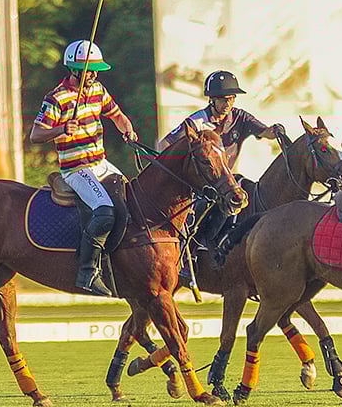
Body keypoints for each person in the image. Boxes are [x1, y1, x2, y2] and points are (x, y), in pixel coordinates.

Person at [30, 40, 137, 297]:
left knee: (133, 201)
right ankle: (87, 272)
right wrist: (61, 129)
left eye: (96, 70)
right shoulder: (57, 98)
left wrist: (127, 129)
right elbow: (36, 134)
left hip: (101, 163)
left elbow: (117, 115)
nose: (94, 75)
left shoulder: (98, 89)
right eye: (90, 71)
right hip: (76, 168)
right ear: (75, 70)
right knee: (105, 211)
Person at [157, 70, 286, 251]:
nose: (228, 104)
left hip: (227, 180)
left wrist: (276, 130)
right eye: (224, 100)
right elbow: (164, 145)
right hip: (202, 184)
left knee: (245, 195)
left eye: (232, 99)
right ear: (212, 100)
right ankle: (196, 248)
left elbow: (265, 132)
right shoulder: (197, 121)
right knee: (207, 208)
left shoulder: (241, 117)